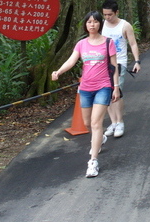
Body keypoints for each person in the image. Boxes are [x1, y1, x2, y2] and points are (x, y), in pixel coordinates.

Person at [52, 11, 119, 178]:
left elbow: (114, 66)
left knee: (96, 123)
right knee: (87, 123)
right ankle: (100, 138)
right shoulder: (81, 44)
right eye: (89, 22)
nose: (92, 24)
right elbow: (71, 60)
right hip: (85, 88)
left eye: (95, 21)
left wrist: (116, 87)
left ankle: (93, 161)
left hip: (103, 87)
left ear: (100, 24)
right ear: (85, 25)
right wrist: (58, 71)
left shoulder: (108, 43)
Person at [101, 0, 141, 138]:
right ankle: (113, 122)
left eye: (110, 14)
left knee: (117, 92)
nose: (107, 17)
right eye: (105, 15)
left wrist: (137, 61)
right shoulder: (101, 24)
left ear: (116, 12)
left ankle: (120, 122)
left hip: (119, 62)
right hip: (103, 63)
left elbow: (133, 44)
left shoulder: (125, 26)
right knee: (106, 93)